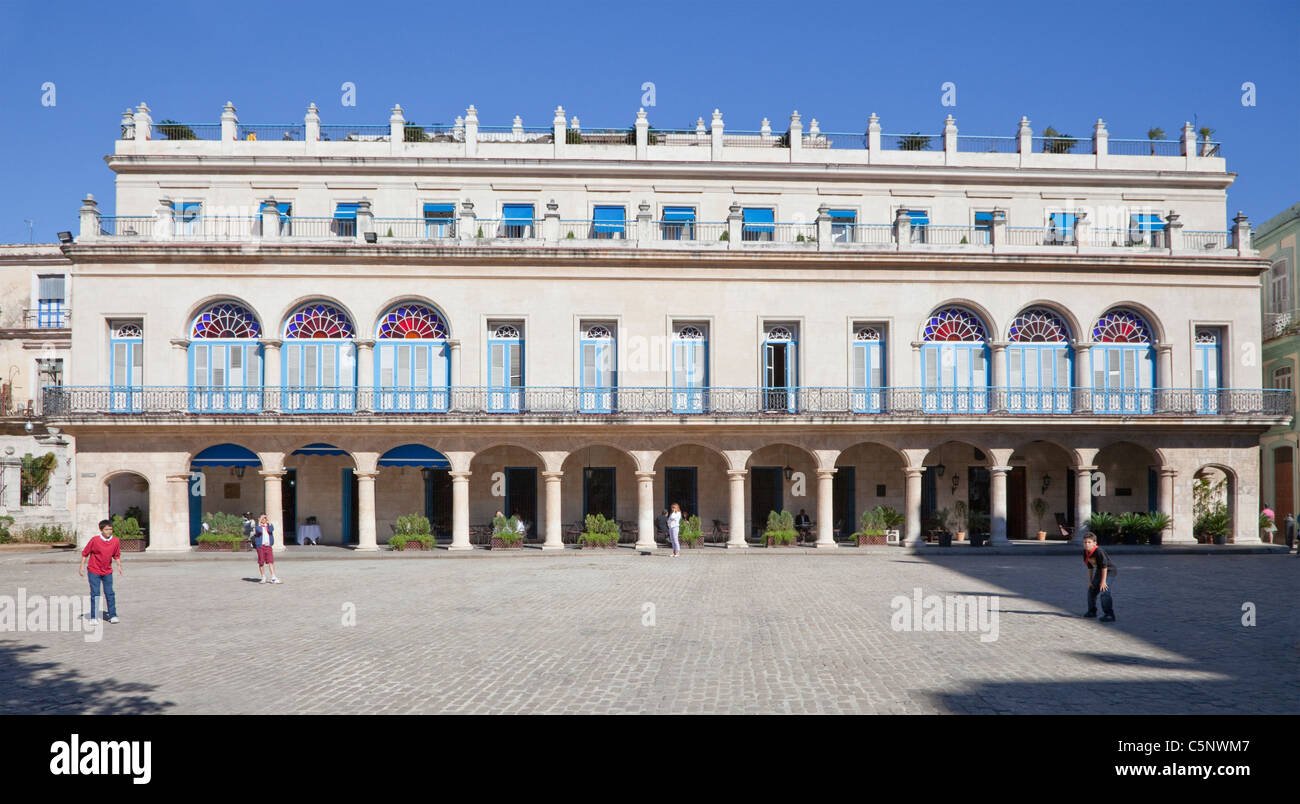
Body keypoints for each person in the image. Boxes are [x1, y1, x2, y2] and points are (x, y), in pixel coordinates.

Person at [79, 519, 123, 625]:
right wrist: (81, 566)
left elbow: (116, 555)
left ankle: (112, 615)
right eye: (106, 529)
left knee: (110, 593)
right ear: (101, 530)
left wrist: (119, 565)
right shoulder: (95, 540)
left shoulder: (115, 541)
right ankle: (94, 617)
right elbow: (85, 553)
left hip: (107, 571)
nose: (109, 531)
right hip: (94, 571)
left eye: (110, 529)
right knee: (95, 593)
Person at [1083, 533, 1116, 621]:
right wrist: (1090, 581)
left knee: (1104, 591)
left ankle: (1109, 614)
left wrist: (1103, 581)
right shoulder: (1085, 553)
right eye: (1085, 542)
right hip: (1099, 571)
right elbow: (1090, 567)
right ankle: (1092, 611)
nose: (1087, 544)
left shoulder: (1099, 552)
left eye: (1089, 542)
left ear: (1095, 543)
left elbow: (1104, 567)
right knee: (1091, 591)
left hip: (1109, 571)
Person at [252, 513, 281, 584]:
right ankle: (263, 577)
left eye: (265, 518)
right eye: (262, 518)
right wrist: (259, 522)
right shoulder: (257, 527)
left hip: (268, 546)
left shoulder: (268, 526)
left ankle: (273, 577)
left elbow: (271, 529)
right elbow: (259, 531)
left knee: (270, 561)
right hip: (260, 546)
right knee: (261, 562)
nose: (264, 520)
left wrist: (269, 521)